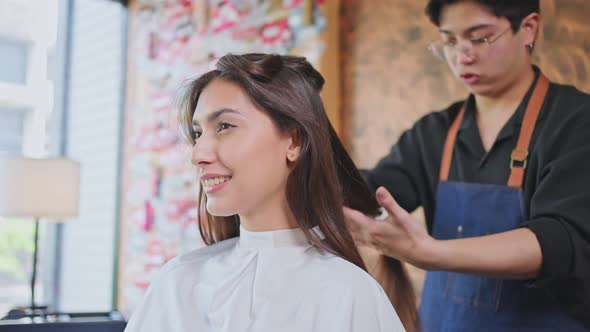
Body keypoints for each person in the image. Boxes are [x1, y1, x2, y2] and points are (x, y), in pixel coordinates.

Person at [124, 53, 416, 332]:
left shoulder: (349, 293)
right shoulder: (177, 282)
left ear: (294, 141)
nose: (198, 153)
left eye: (225, 126)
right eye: (198, 133)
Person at [344, 0, 590, 331]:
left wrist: (432, 253)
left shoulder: (575, 121)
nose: (462, 56)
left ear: (528, 28)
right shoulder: (434, 132)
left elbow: (558, 240)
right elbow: (373, 192)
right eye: (449, 41)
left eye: (480, 38)